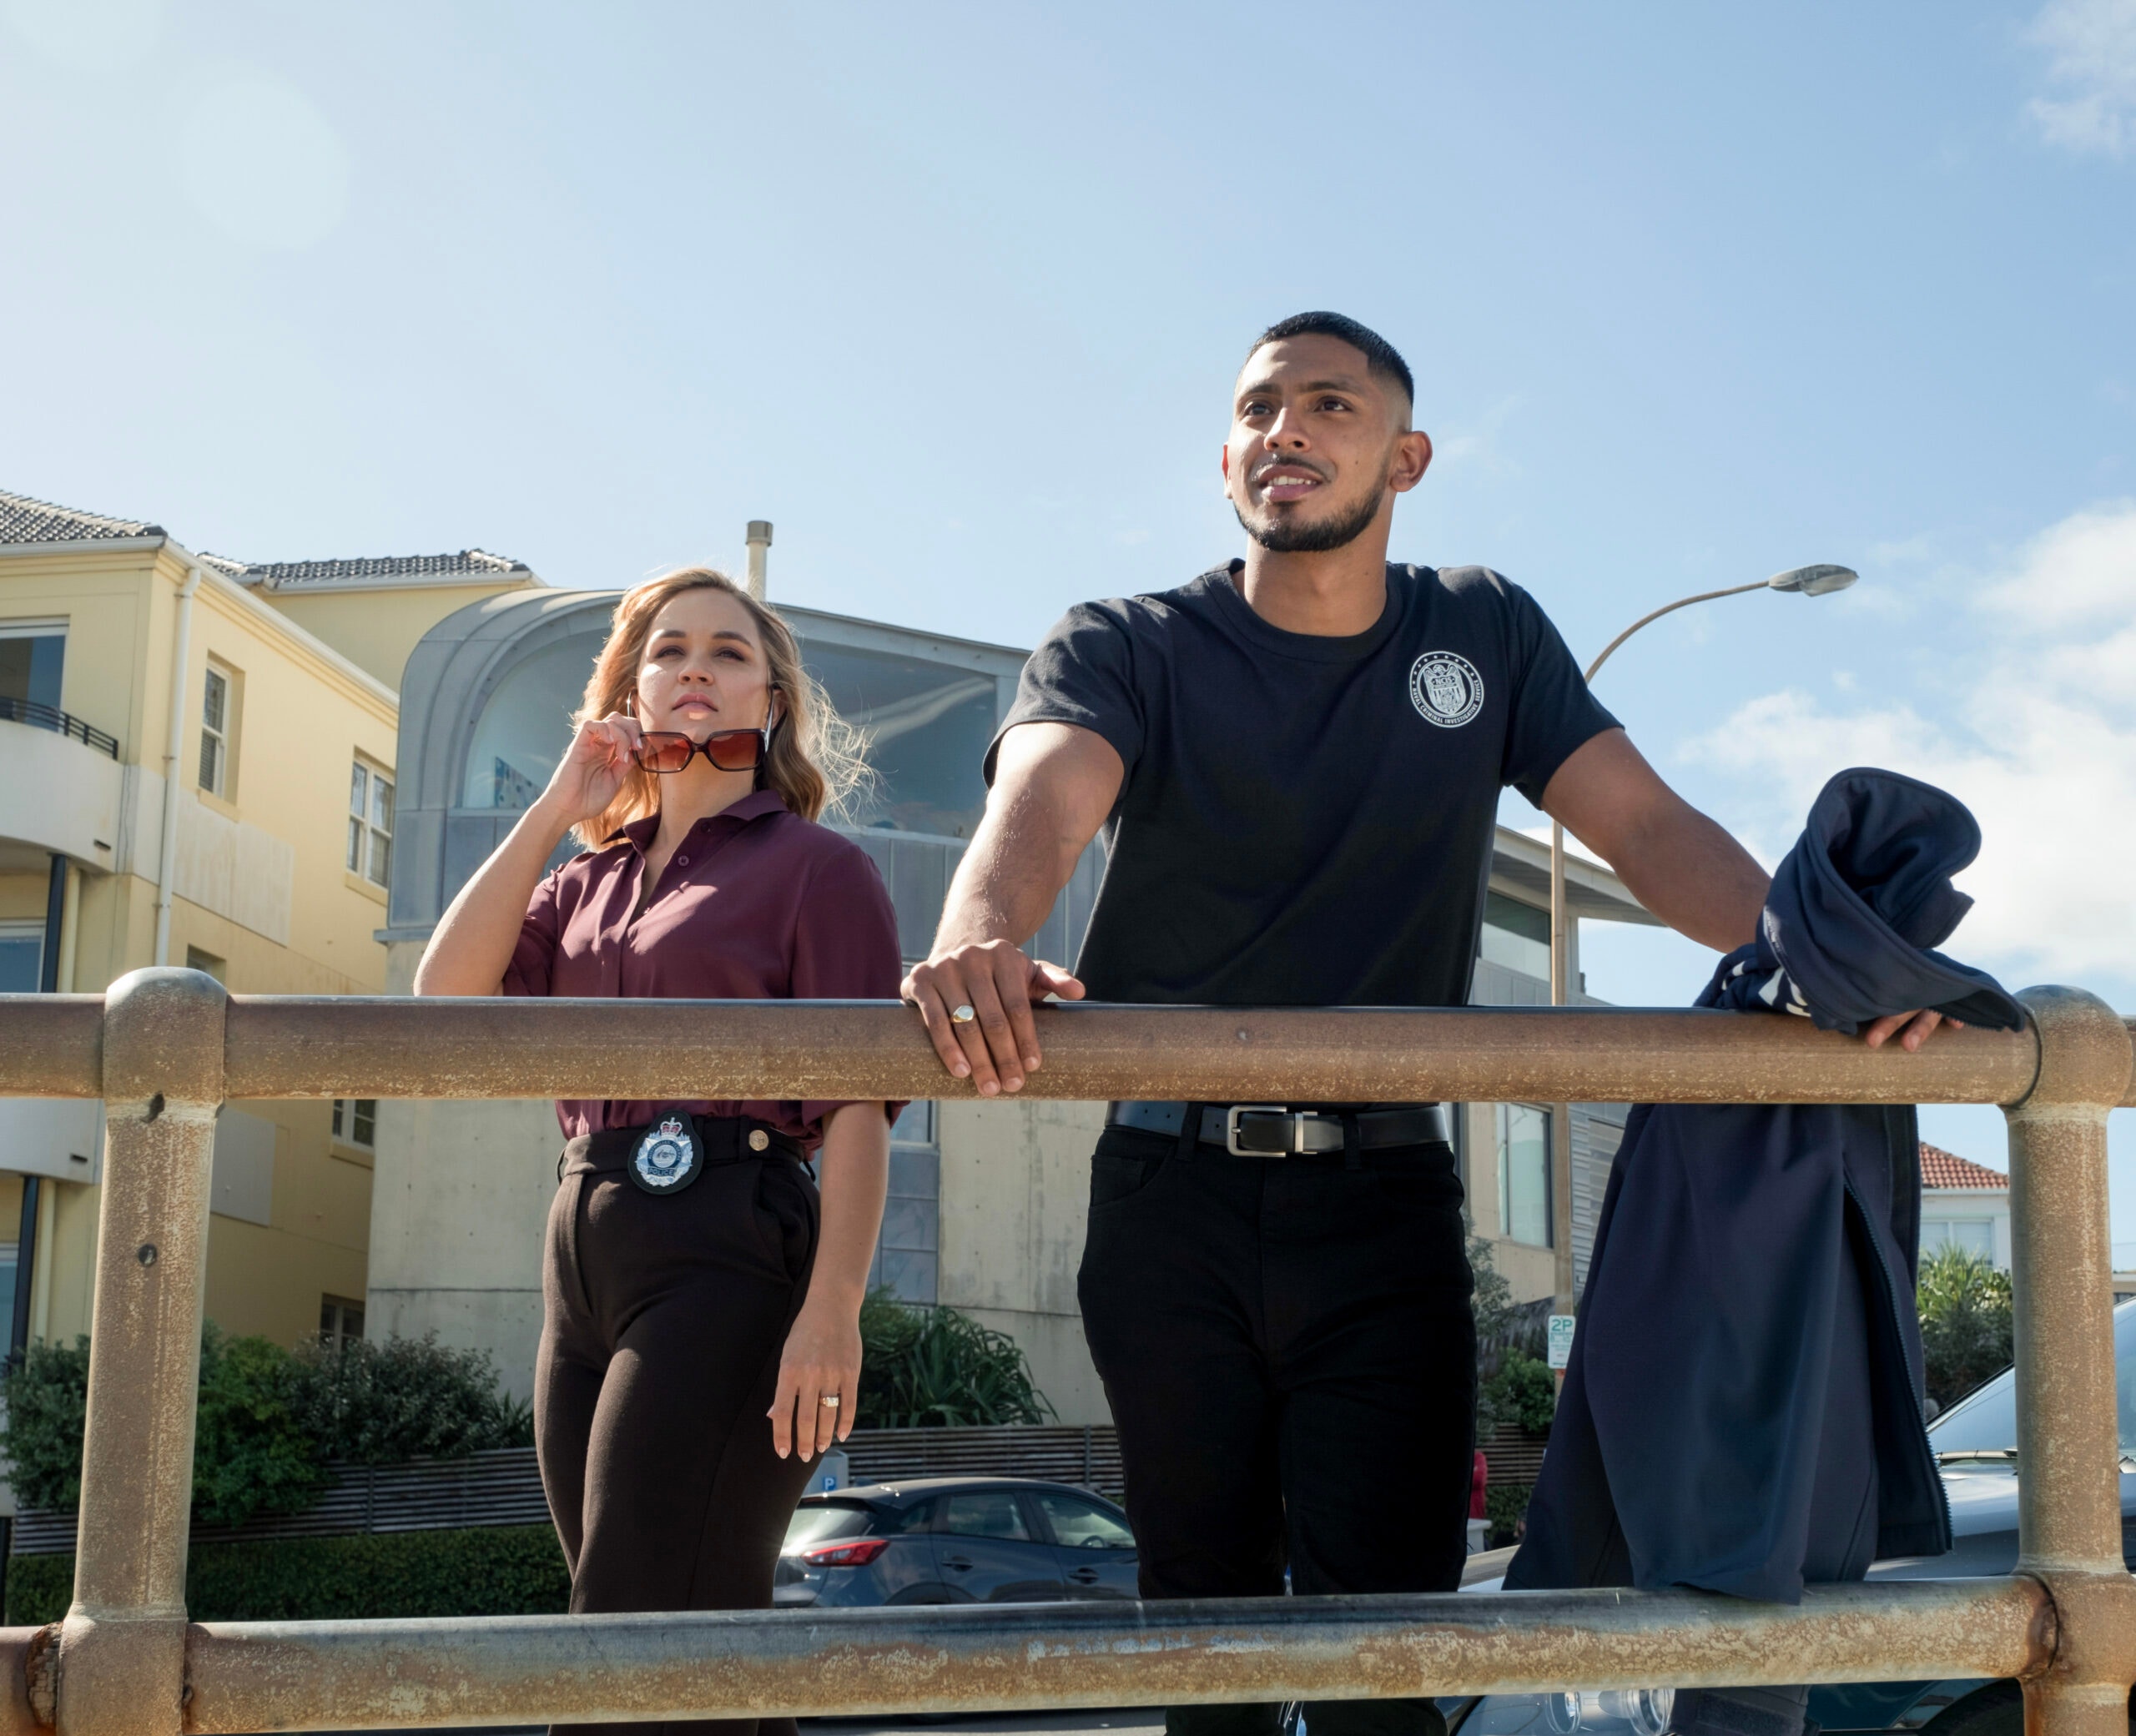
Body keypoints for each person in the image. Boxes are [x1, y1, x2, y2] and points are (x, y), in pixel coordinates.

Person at [900, 311, 1949, 1736]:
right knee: (1200, 1644)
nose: (1289, 430)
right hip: (1167, 1196)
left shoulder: (1485, 631)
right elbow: (1040, 790)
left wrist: (1817, 960)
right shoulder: (1131, 641)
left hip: (1384, 1196)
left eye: (1329, 405)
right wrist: (981, 934)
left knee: (1389, 1657)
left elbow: (1643, 824)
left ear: (1406, 455)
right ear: (1225, 459)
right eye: (1261, 407)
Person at [416, 566, 901, 1736]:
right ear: (630, 685)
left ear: (772, 696)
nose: (696, 666)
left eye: (730, 652)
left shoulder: (816, 868)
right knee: (672, 1637)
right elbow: (444, 995)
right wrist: (556, 804)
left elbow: (856, 1110)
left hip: (727, 1246)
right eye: (668, 648)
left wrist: (834, 1306)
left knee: (628, 1628)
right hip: (581, 1261)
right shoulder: (580, 879)